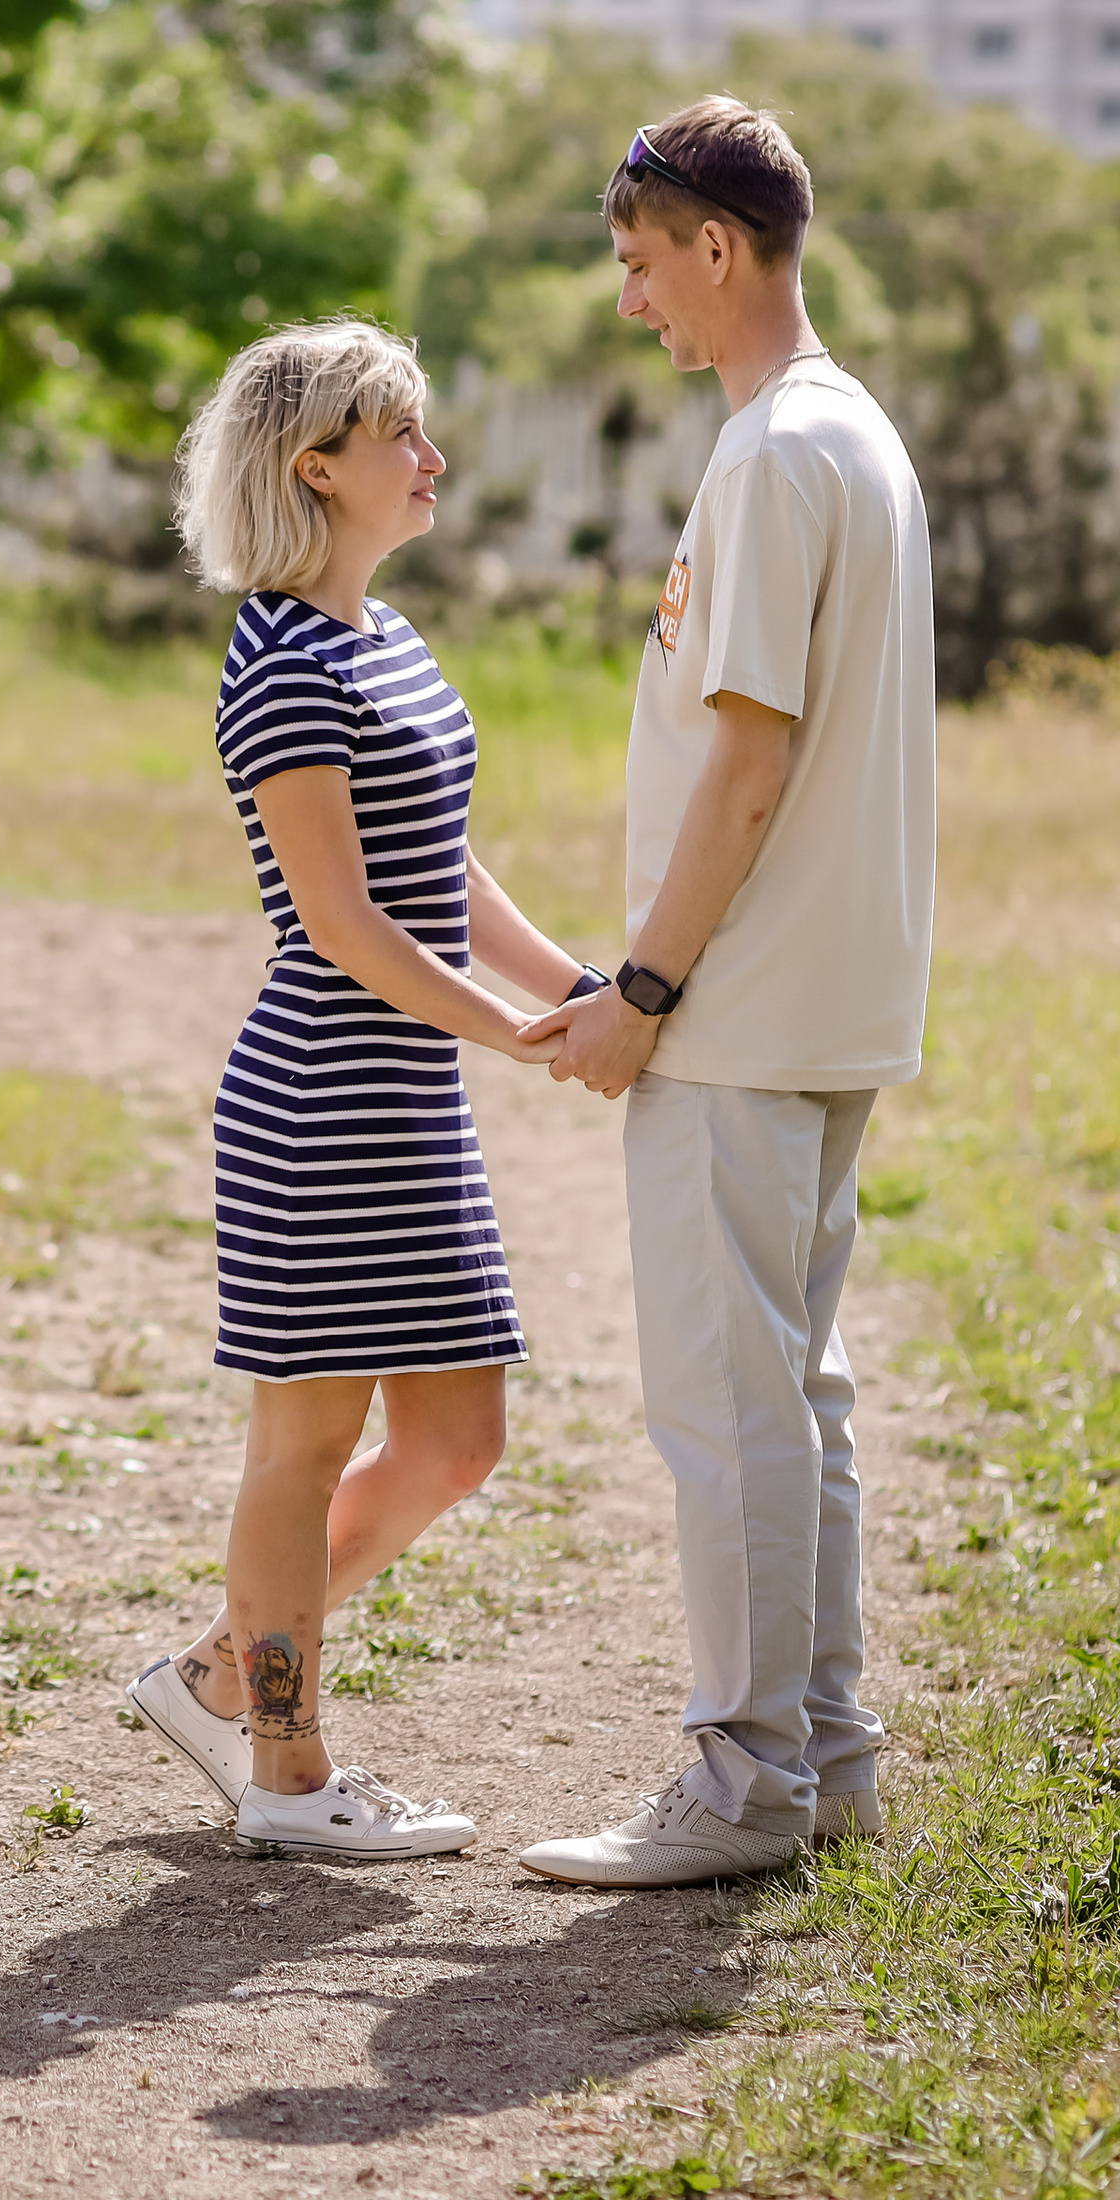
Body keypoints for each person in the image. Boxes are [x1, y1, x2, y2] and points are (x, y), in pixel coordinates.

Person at [517, 97, 935, 1888]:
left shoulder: (776, 453)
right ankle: (822, 1758)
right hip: (826, 1005)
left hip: (741, 1009)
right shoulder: (856, 435)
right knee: (798, 1392)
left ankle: (745, 1780)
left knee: (729, 1403)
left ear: (719, 245)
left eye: (640, 264)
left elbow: (745, 763)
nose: (633, 306)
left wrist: (642, 986)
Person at [126, 317, 607, 1860]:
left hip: (408, 1101)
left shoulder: (386, 642)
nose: (434, 460)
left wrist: (575, 989)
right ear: (314, 467)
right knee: (307, 1445)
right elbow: (341, 922)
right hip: (324, 1100)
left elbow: (441, 870)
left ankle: (223, 1670)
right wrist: (515, 1036)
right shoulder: (276, 657)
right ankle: (286, 1762)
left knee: (461, 1442)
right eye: (403, 434)